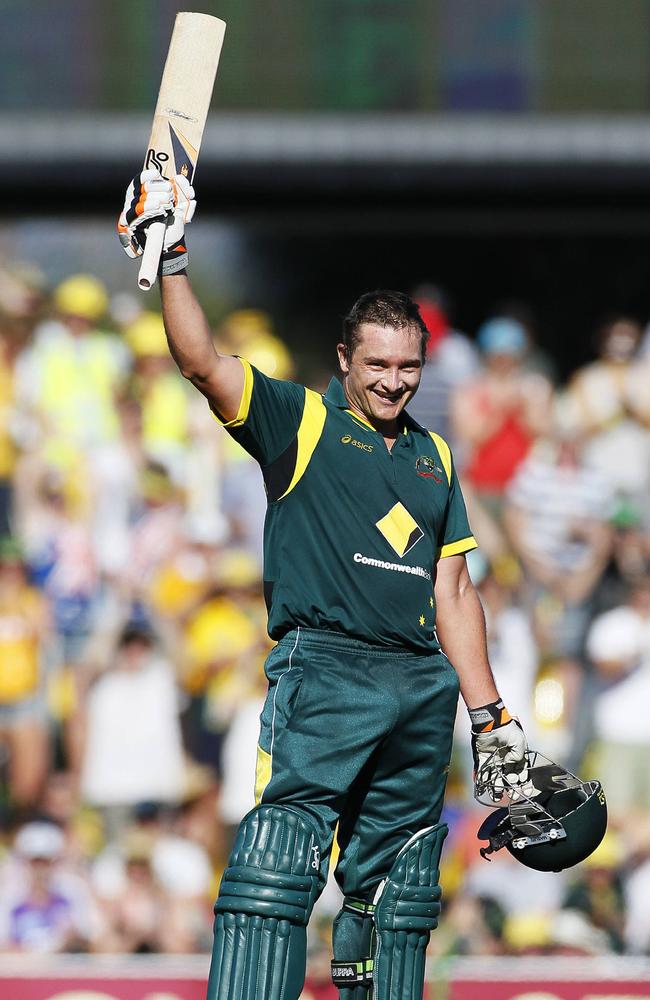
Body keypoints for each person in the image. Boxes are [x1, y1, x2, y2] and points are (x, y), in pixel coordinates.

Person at [118, 170, 530, 1000]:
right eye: (376, 364)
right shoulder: (300, 421)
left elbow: (454, 594)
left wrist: (494, 723)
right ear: (344, 359)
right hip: (325, 671)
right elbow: (200, 360)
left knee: (399, 895)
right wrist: (172, 258)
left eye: (408, 366)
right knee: (278, 864)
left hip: (420, 684)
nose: (393, 381)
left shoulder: (436, 458)